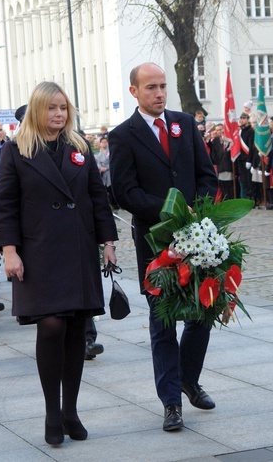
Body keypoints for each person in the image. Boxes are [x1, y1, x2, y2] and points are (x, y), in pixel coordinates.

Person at [0, 81, 117, 445]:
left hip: (78, 249)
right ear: (37, 110)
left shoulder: (80, 147)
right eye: (51, 108)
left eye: (63, 107)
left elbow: (97, 197)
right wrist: (9, 251)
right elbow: (4, 206)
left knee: (76, 328)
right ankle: (51, 411)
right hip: (38, 251)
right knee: (50, 326)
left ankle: (71, 411)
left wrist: (108, 242)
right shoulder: (16, 151)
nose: (58, 114)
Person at [110, 62, 218, 432]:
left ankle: (187, 377)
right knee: (163, 323)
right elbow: (125, 191)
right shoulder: (123, 135)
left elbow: (206, 173)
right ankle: (171, 402)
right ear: (134, 91)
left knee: (203, 314)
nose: (159, 93)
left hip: (197, 238)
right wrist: (171, 212)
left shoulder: (184, 124)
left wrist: (198, 210)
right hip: (156, 243)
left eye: (162, 86)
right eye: (151, 87)